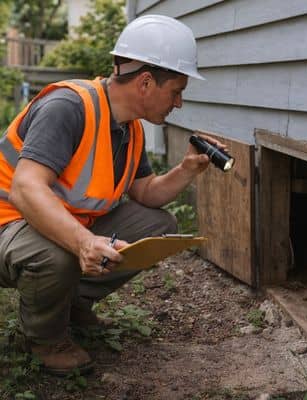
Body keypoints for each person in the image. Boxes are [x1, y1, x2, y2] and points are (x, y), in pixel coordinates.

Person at [0, 14, 223, 376]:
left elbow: (146, 194)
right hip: (8, 223)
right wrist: (83, 242)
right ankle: (45, 340)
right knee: (59, 253)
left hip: (52, 227)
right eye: (176, 91)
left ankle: (70, 303)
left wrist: (187, 170)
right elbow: (25, 190)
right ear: (147, 82)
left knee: (157, 225)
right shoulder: (68, 108)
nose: (179, 102)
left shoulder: (128, 130)